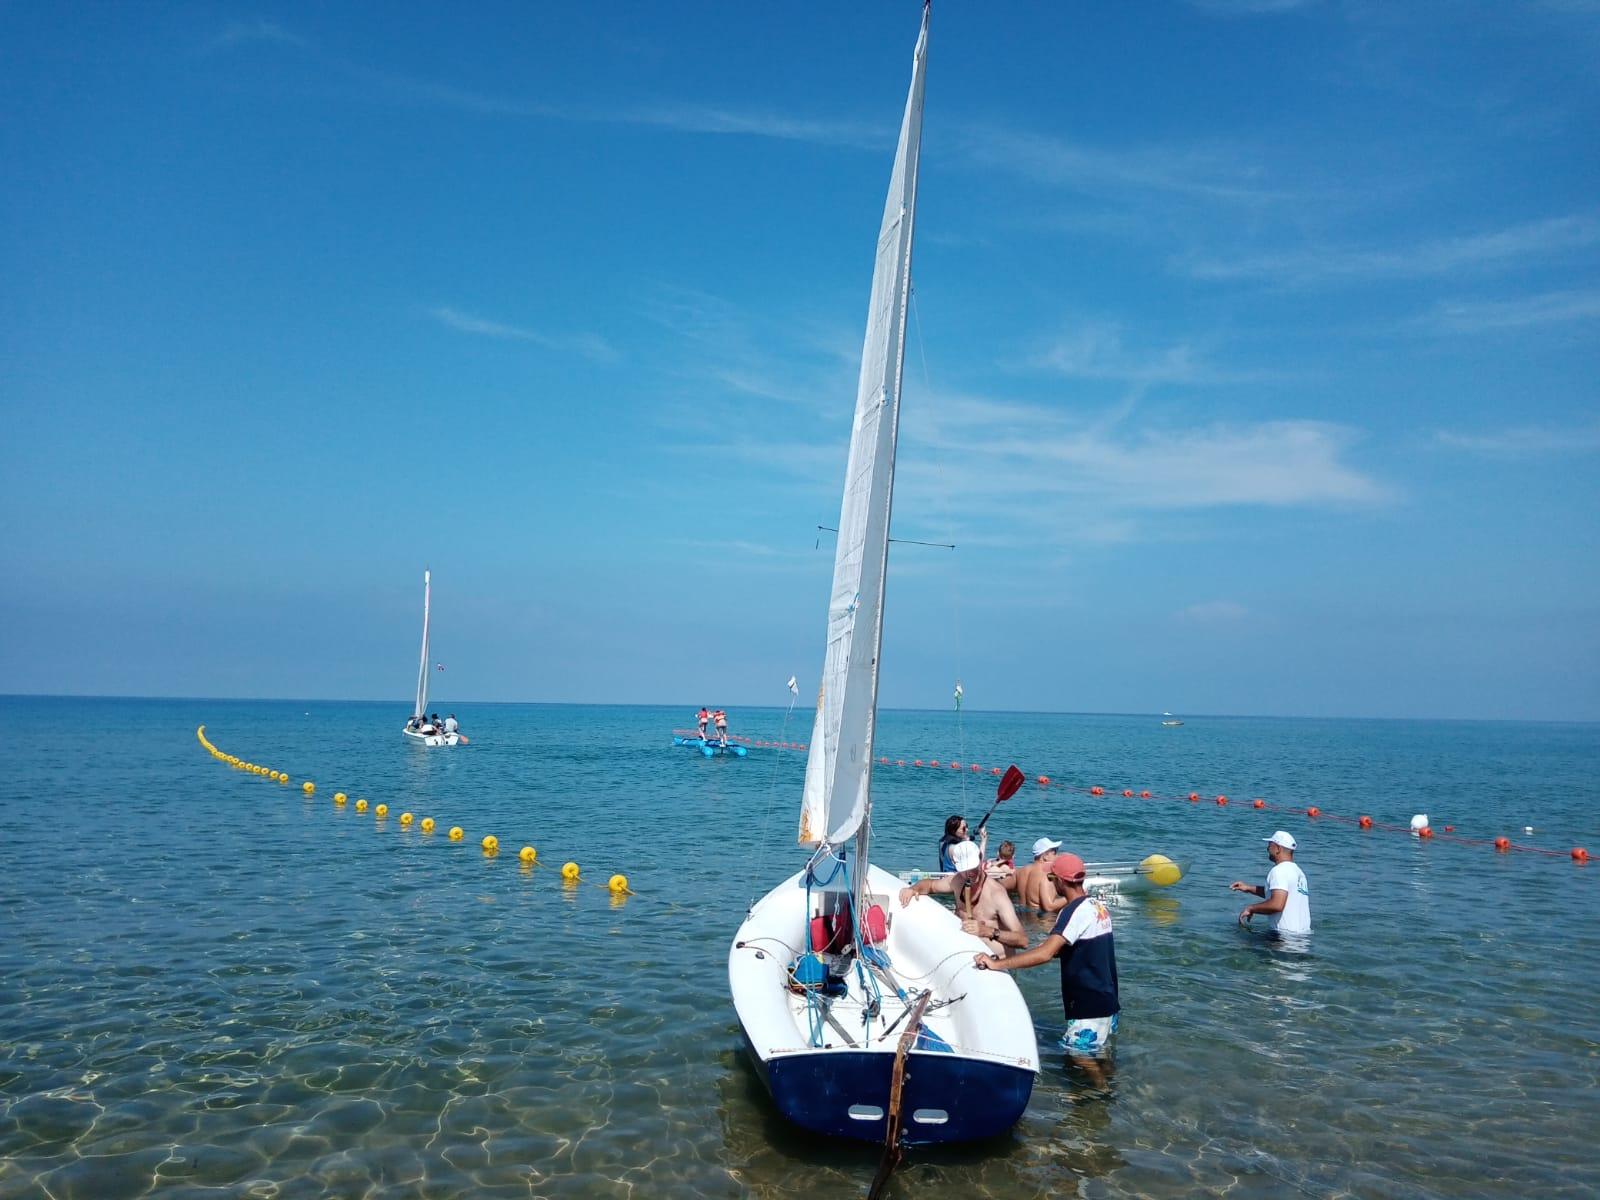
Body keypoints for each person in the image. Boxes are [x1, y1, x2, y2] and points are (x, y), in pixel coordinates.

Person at [976, 852, 1119, 1079]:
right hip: (1108, 996)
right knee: (1098, 1052)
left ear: (1061, 881)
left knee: (1078, 1054)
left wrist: (998, 964)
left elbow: (1045, 954)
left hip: (1089, 1003)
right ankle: (1108, 1085)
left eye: (1052, 880)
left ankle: (1102, 1096)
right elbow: (1078, 948)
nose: (1051, 884)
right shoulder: (1097, 906)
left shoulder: (1072, 912)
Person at [901, 840, 1025, 957]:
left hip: (995, 963)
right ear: (956, 865)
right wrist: (913, 889)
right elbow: (930, 885)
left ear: (981, 858)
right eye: (965, 869)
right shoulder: (957, 881)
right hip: (966, 955)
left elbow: (1022, 939)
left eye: (973, 867)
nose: (970, 873)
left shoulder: (996, 894)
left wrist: (987, 931)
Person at [1231, 830, 1311, 934]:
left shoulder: (1279, 871)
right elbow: (1278, 894)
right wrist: (1248, 888)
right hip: (1303, 937)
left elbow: (1277, 904)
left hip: (1283, 938)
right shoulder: (1299, 872)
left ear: (1278, 848)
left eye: (1270, 845)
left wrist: (1251, 908)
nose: (1267, 848)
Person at [1007, 837, 1069, 913]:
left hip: (1024, 920)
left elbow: (1001, 886)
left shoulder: (1020, 872)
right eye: (1055, 852)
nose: (1057, 856)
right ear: (1045, 856)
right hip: (1042, 921)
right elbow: (1049, 907)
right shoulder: (1049, 875)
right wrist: (1071, 897)